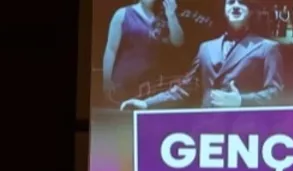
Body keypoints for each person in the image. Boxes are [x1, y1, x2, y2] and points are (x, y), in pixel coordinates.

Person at [120, 0, 283, 110]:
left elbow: (275, 94)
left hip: (246, 131)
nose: (235, 6)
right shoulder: (206, 48)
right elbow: (185, 88)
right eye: (230, 2)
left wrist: (241, 101)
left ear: (251, 11)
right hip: (207, 129)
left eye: (242, 2)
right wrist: (146, 103)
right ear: (224, 9)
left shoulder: (267, 48)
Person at [101, 0, 184, 104]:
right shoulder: (122, 14)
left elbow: (178, 42)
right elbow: (111, 49)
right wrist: (106, 80)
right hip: (123, 83)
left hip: (150, 86)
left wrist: (171, 15)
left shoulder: (161, 19)